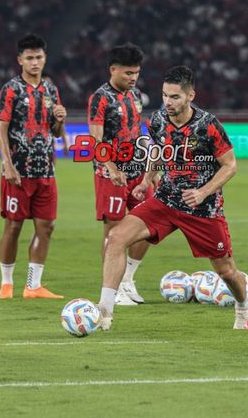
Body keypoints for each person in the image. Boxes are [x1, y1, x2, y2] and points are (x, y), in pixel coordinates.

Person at [96, 65, 248, 330]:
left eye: (175, 97)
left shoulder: (208, 126)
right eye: (165, 96)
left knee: (226, 271)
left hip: (203, 209)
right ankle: (104, 311)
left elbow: (230, 165)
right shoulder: (157, 120)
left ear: (190, 96)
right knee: (115, 239)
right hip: (165, 201)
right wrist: (146, 181)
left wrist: (203, 192)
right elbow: (157, 152)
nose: (168, 102)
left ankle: (243, 306)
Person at [0, 33, 67, 300]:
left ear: (44, 58)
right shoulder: (11, 90)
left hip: (46, 171)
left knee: (46, 227)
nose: (35, 62)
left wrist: (60, 120)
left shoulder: (51, 90)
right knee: (13, 227)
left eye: (38, 57)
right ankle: (6, 283)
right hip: (18, 172)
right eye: (29, 58)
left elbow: (56, 133)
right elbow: (1, 129)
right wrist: (8, 164)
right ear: (20, 60)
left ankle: (33, 286)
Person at [88, 44, 152, 306]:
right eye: (127, 73)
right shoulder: (100, 98)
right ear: (113, 70)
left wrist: (151, 169)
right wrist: (111, 168)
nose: (133, 78)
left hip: (138, 172)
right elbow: (95, 138)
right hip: (110, 175)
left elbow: (138, 134)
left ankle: (127, 280)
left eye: (136, 72)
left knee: (149, 228)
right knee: (114, 232)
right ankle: (112, 290)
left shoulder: (135, 96)